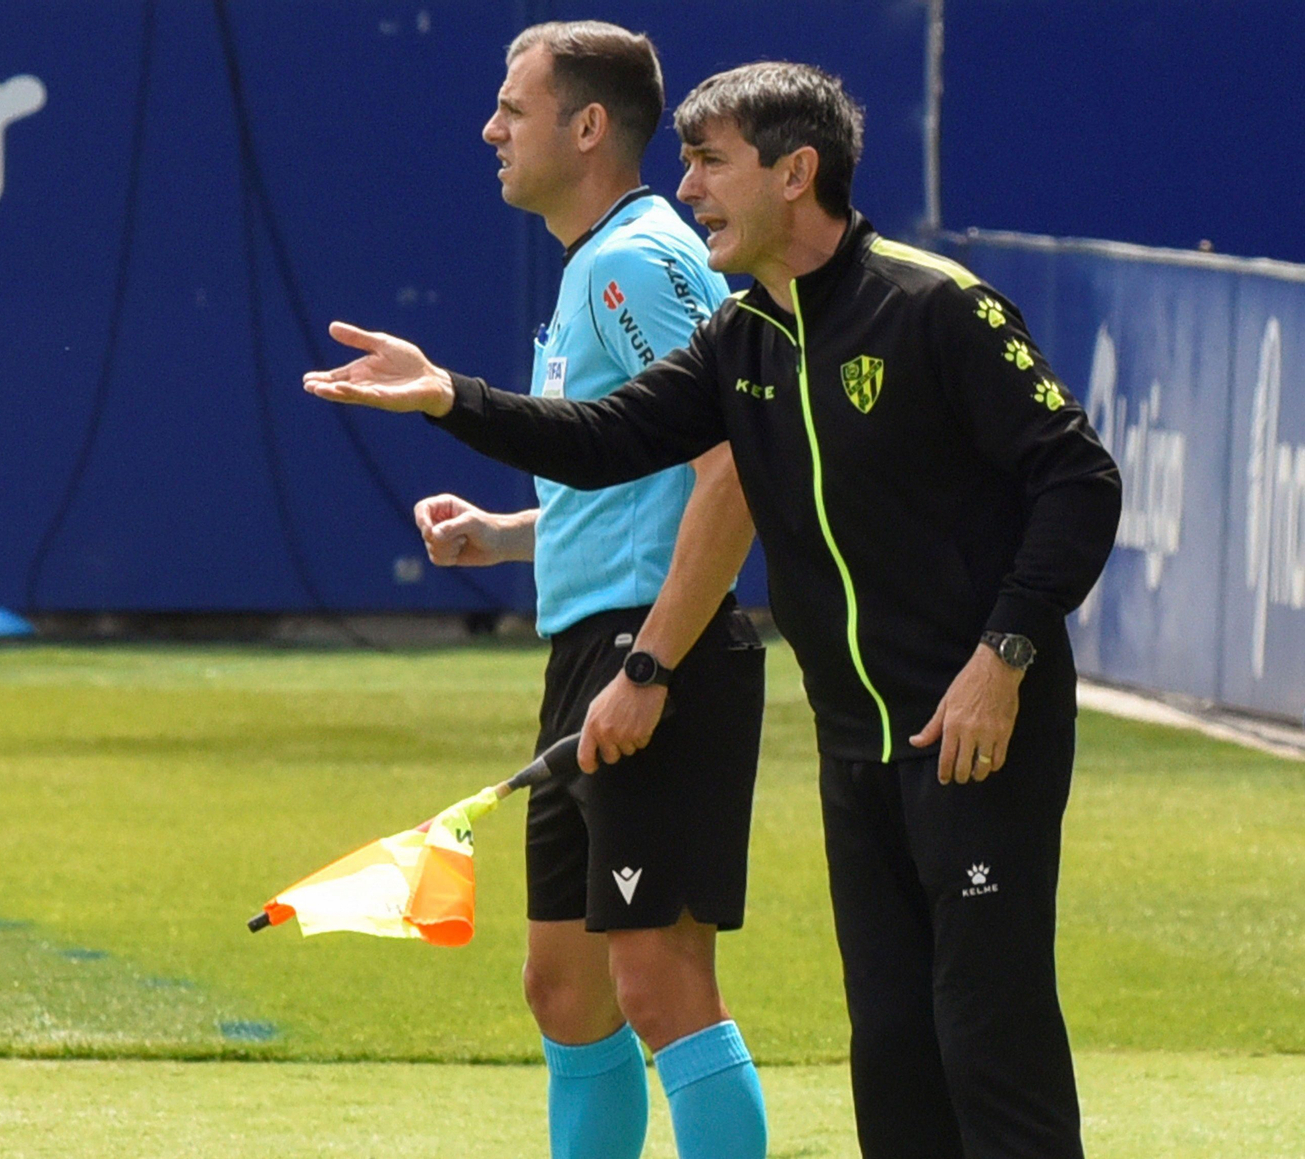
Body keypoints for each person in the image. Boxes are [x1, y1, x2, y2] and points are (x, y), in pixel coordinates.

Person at [304, 60, 1122, 1159]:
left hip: (977, 733)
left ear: (797, 172)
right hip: (856, 747)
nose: (685, 190)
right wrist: (447, 393)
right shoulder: (744, 337)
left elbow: (1079, 482)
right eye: (685, 160)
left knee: (987, 1032)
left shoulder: (933, 305)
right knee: (889, 1042)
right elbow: (603, 439)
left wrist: (1003, 656)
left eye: (708, 163)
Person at [407, 23, 769, 1159]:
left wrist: (651, 664)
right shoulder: (601, 261)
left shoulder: (629, 263)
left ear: (587, 127)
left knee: (657, 983)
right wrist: (512, 534)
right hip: (596, 648)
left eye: (512, 109)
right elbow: (645, 465)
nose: (491, 130)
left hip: (652, 654)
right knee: (563, 987)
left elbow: (734, 458)